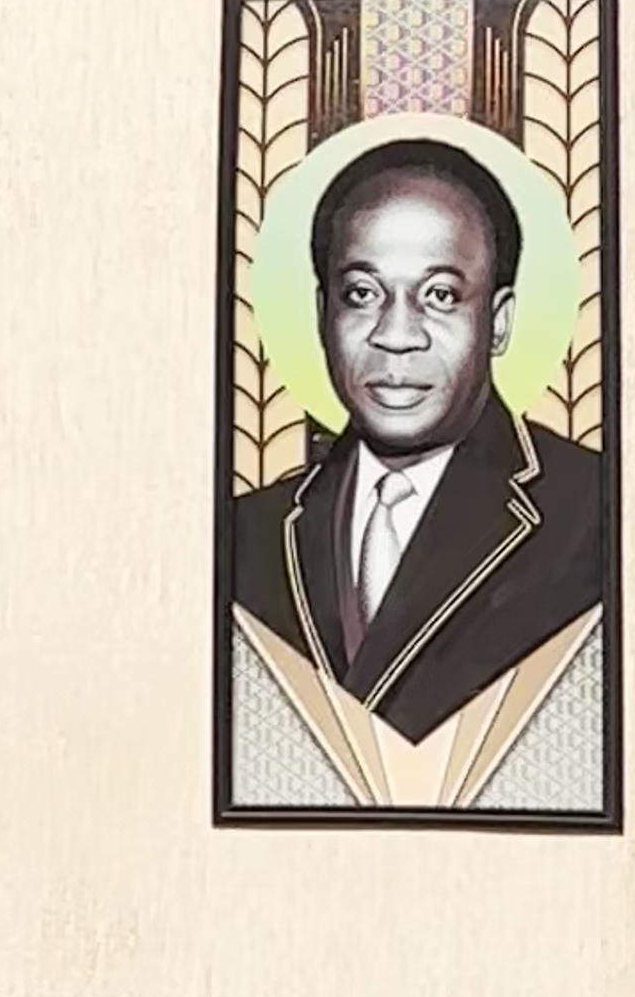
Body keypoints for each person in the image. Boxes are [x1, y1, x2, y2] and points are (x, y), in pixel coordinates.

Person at [230, 136, 607, 744]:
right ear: (323, 313)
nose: (396, 335)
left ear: (500, 321)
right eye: (362, 294)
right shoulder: (249, 531)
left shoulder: (596, 517)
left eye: (439, 296)